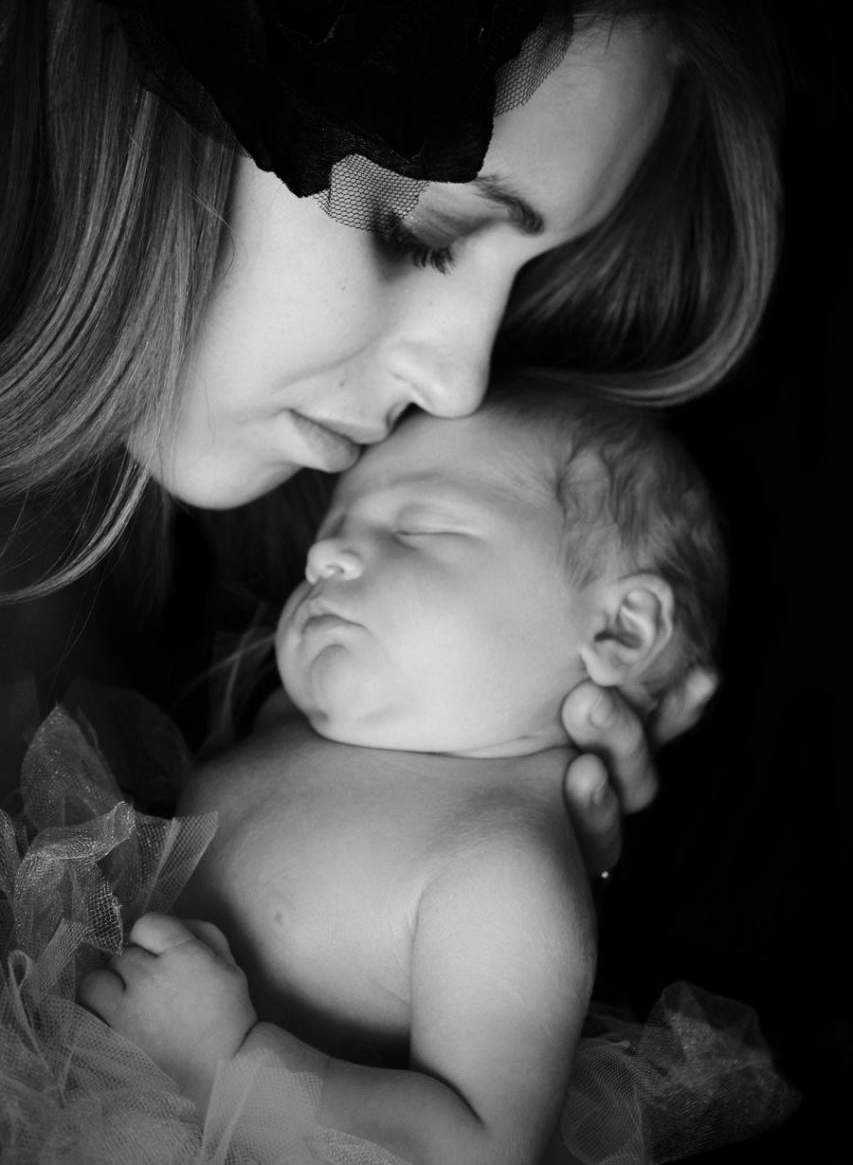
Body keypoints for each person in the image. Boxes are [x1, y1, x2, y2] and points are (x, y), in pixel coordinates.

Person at [0, 0, 783, 884]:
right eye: (419, 233)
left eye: (524, 282)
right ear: (166, 77)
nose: (456, 388)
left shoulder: (219, 623)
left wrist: (420, 857)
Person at [68, 378, 792, 1165]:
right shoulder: (281, 718)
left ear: (620, 630)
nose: (322, 556)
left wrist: (228, 1071)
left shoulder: (501, 864)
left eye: (417, 528)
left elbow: (476, 1149)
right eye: (335, 527)